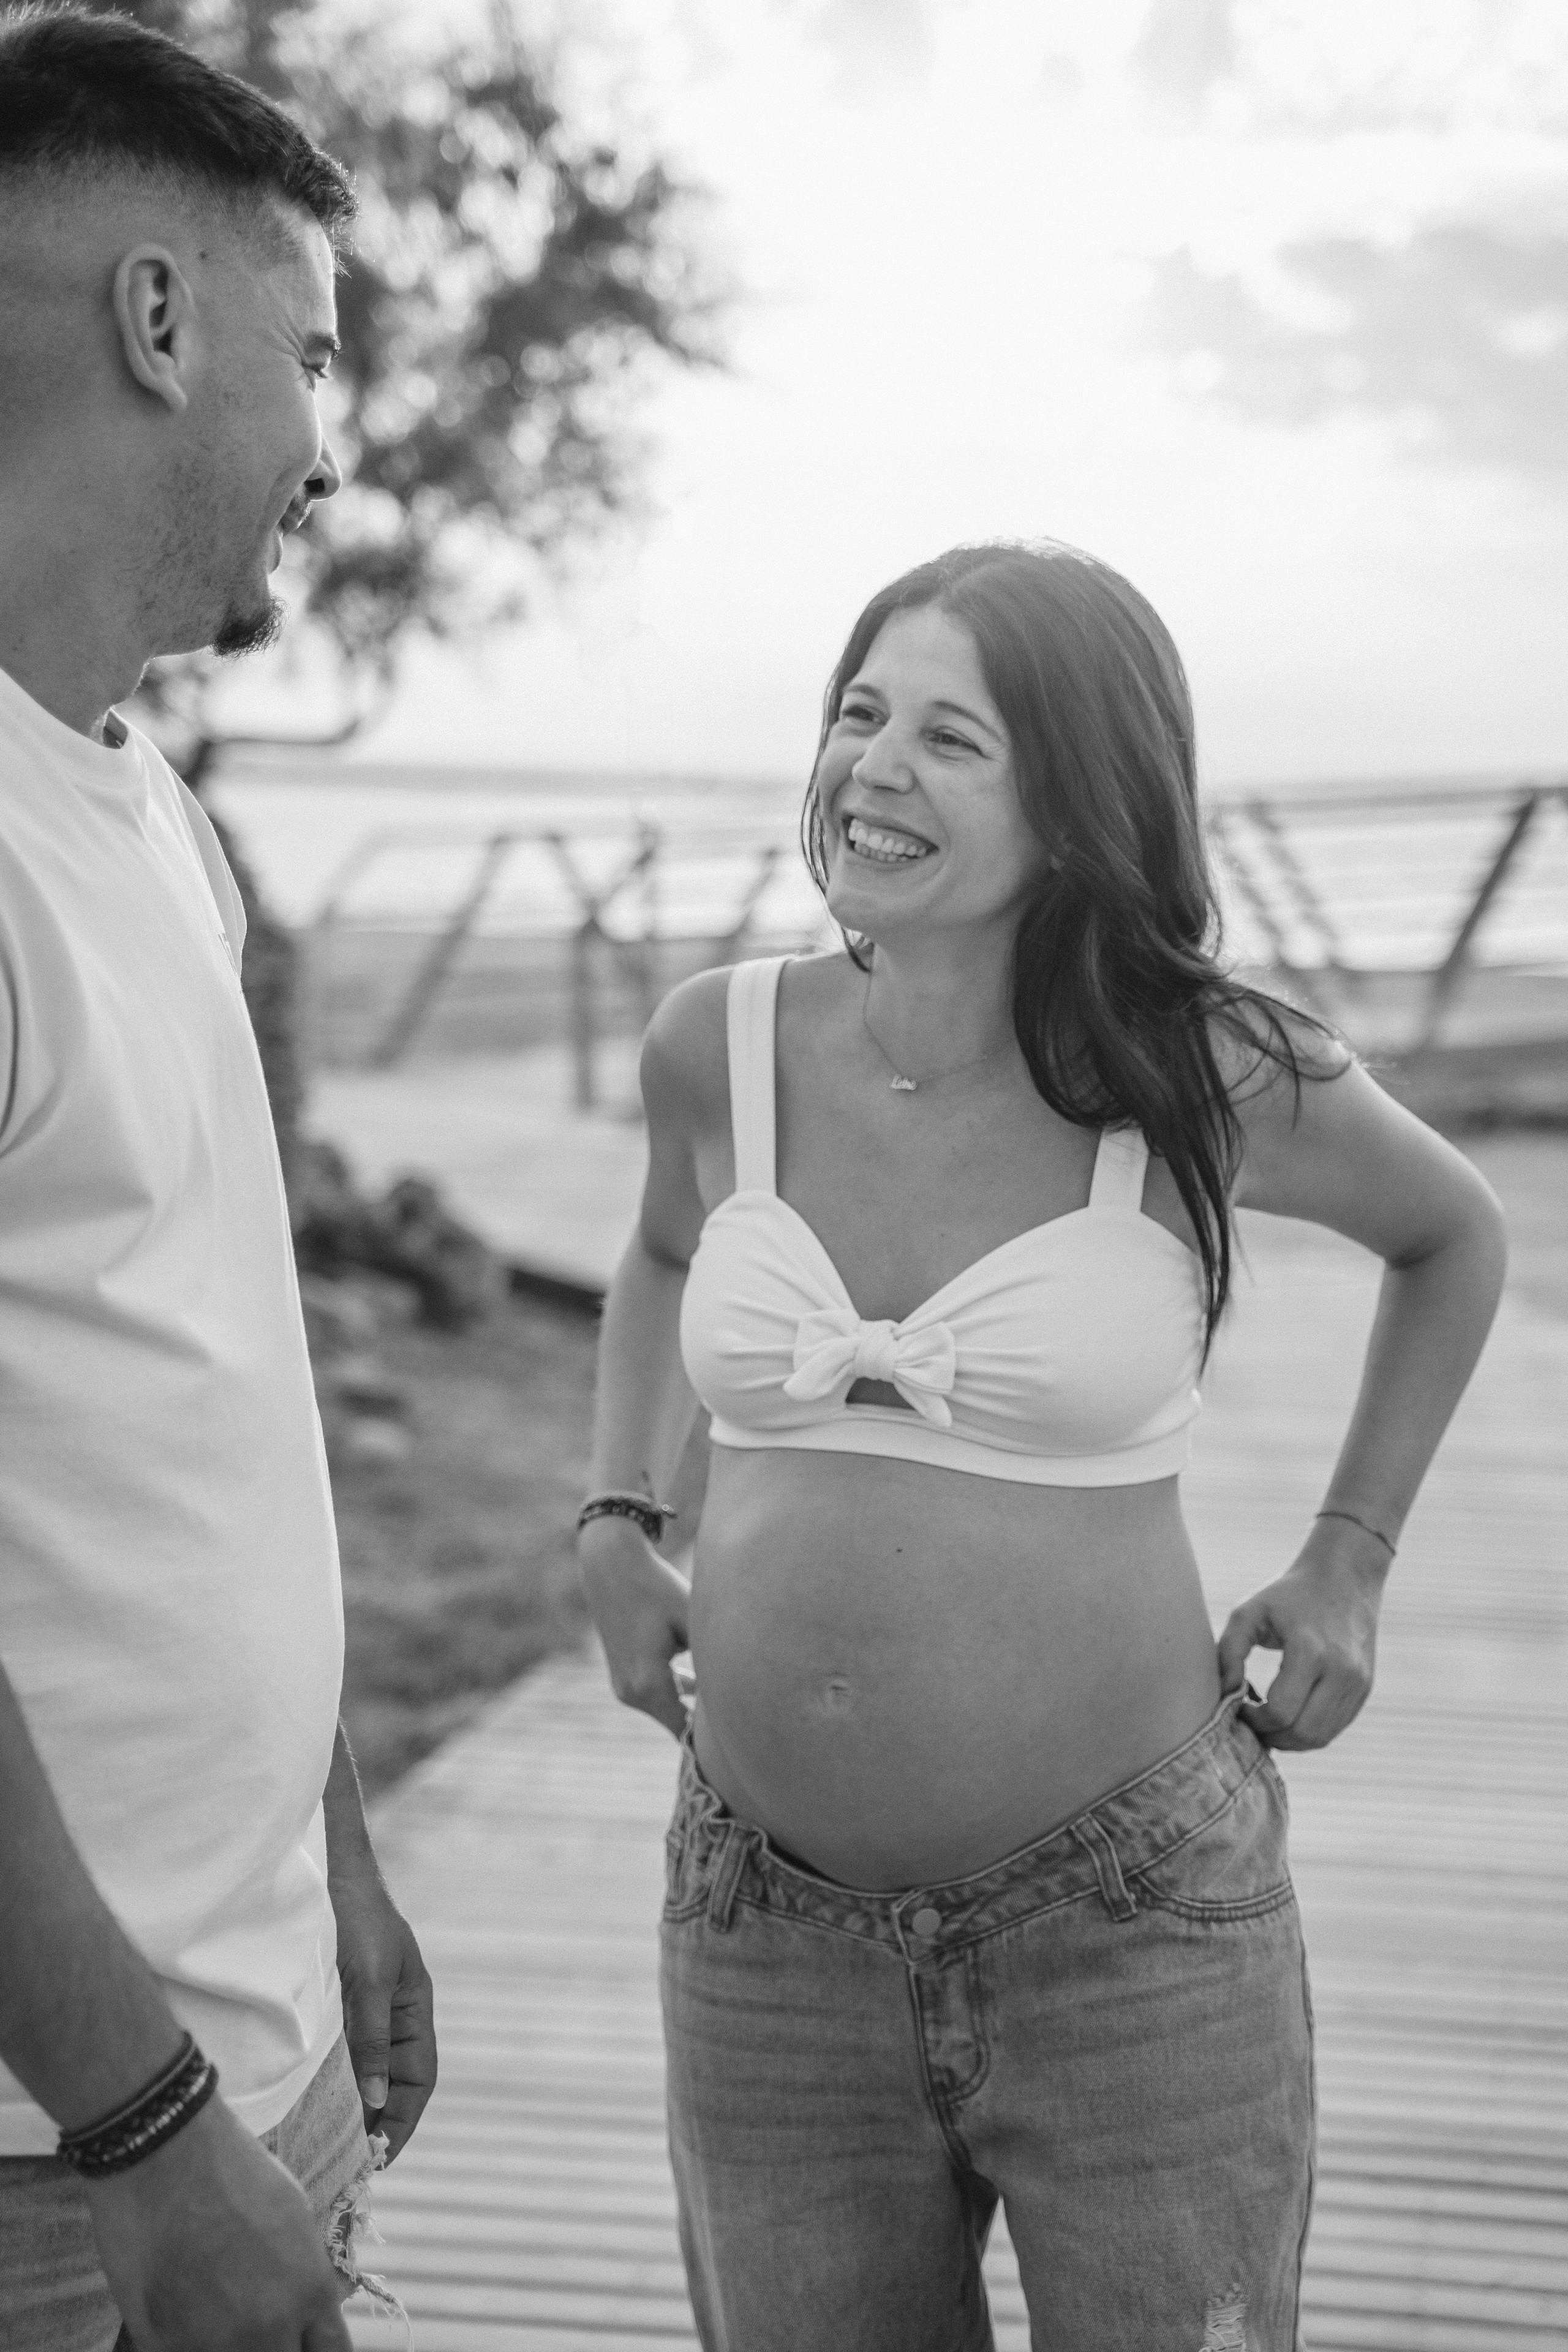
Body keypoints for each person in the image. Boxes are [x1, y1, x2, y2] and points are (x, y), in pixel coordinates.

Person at [576, 541, 1508, 2351]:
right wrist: (622, 1511)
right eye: (859, 714)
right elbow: (667, 1243)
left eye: (951, 738)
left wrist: (1351, 1556)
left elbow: (1455, 1232)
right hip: (763, 1935)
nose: (875, 768)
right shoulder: (723, 1042)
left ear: (1080, 804)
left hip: (1133, 1932)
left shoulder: (1202, 1069)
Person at [0, 11, 435, 2350]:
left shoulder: (140, 807)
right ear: (159, 327)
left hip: (239, 2065)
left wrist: (332, 1856)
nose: (332, 452)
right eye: (314, 353)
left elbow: (208, 1399)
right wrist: (147, 2132)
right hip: (66, 2163)